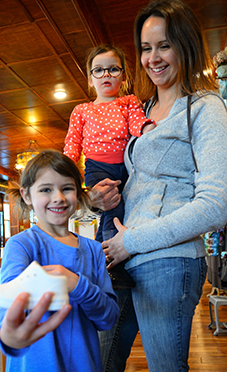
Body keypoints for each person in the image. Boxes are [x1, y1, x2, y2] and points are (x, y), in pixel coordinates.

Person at [99, 1, 227, 371]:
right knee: (99, 362)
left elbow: (214, 205)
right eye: (145, 48)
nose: (153, 58)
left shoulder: (205, 108)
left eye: (164, 45)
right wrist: (99, 199)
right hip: (120, 258)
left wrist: (132, 241)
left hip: (167, 262)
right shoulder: (140, 111)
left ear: (185, 46)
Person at [0, 149, 119, 372]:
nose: (58, 197)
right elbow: (9, 299)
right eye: (46, 189)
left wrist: (77, 284)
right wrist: (8, 334)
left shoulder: (93, 250)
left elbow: (108, 319)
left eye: (67, 188)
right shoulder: (21, 245)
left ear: (79, 194)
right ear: (27, 196)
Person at [64, 44, 155, 289]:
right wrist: (66, 168)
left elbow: (137, 121)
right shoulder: (82, 110)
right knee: (112, 207)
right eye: (99, 70)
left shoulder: (128, 102)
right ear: (90, 79)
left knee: (126, 210)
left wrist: (147, 129)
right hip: (97, 166)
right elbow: (73, 142)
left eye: (113, 69)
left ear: (123, 76)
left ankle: (99, 260)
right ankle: (111, 265)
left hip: (126, 166)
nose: (106, 74)